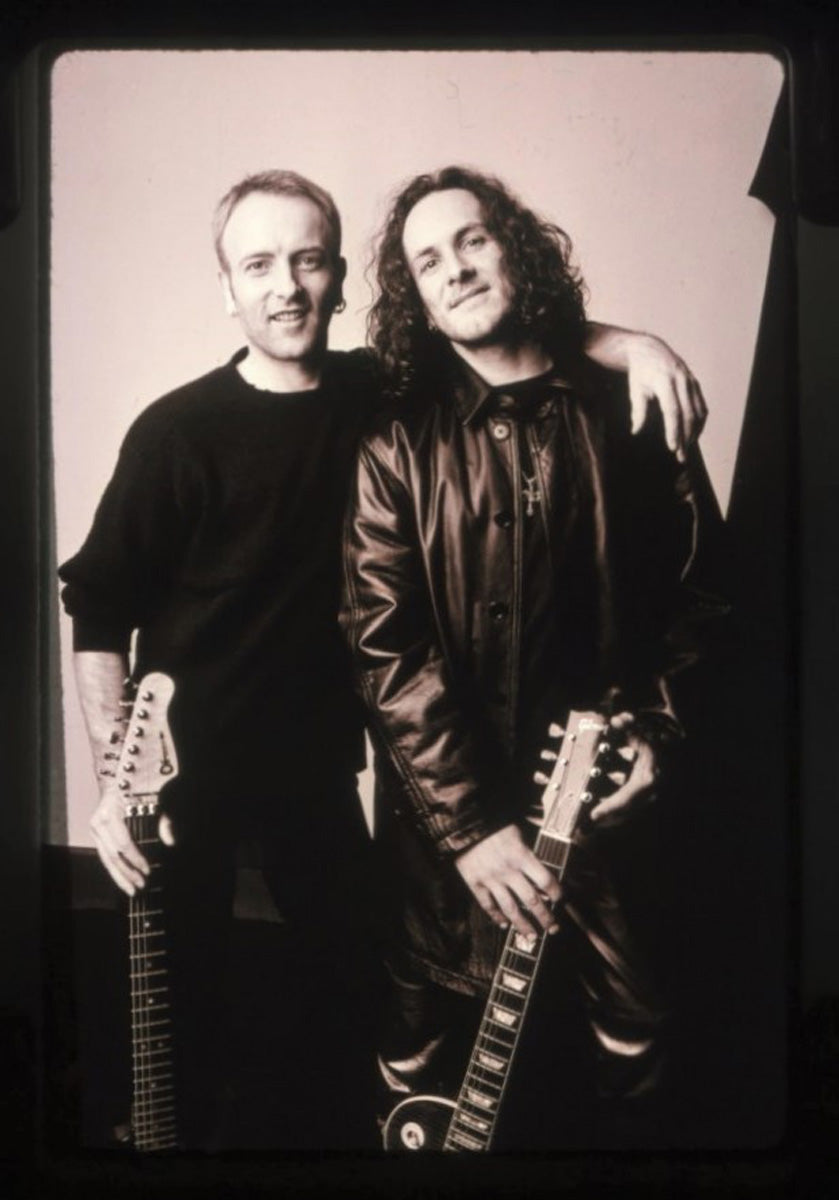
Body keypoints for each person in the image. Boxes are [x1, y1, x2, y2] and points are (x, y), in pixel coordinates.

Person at [59, 168, 707, 1151]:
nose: (285, 286)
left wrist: (639, 346)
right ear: (225, 289)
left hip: (319, 770)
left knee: (347, 999)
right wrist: (117, 771)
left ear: (338, 278)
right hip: (184, 766)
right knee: (181, 1011)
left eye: (307, 260)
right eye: (257, 265)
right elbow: (99, 607)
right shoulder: (176, 432)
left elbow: (508, 330)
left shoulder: (382, 390)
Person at [340, 166, 727, 1150]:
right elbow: (386, 652)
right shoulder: (394, 445)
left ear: (514, 247)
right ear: (417, 299)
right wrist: (470, 830)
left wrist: (661, 729)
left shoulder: (633, 405)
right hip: (445, 832)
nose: (455, 268)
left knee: (638, 1041)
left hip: (610, 808)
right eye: (427, 261)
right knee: (418, 1046)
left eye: (471, 239)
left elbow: (700, 596)